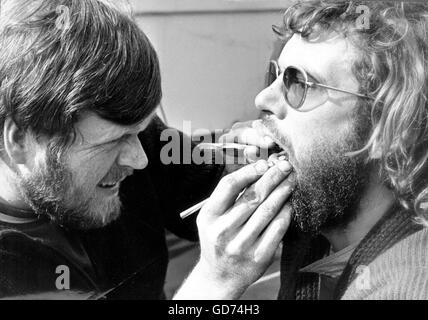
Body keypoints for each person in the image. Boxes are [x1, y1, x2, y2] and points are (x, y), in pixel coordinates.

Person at [0, 0, 293, 299]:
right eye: (112, 142)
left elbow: (215, 178)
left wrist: (262, 157)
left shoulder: (135, 138)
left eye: (140, 130)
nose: (139, 159)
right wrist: (214, 283)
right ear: (20, 140)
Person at [177, 0, 428, 300]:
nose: (262, 99)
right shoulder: (319, 212)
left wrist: (212, 285)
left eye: (299, 82)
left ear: (386, 131)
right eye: (276, 74)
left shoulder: (404, 287)